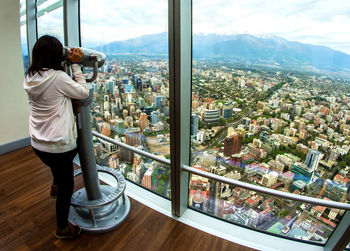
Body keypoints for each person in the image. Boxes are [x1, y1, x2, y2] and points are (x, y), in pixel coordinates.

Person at [23, 35, 89, 239]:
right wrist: (76, 66)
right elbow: (83, 92)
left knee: (57, 166)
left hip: (37, 142)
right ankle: (62, 227)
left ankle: (56, 184)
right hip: (58, 145)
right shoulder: (59, 78)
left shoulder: (30, 76)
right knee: (67, 186)